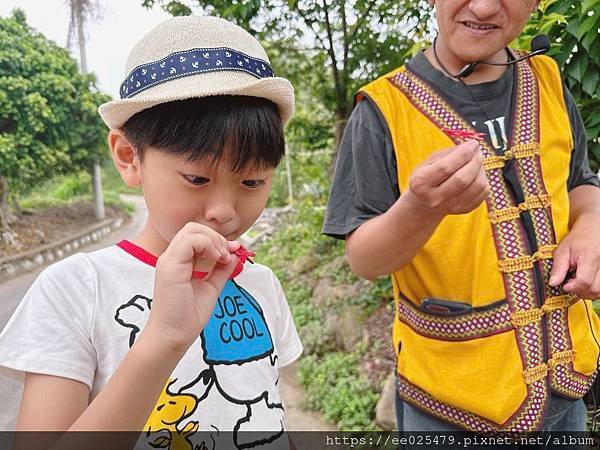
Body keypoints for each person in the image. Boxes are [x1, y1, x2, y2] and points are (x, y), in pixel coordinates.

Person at [0, 15, 302, 450]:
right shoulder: (76, 290)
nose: (224, 211)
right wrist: (161, 339)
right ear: (128, 157)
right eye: (197, 179)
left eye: (252, 182)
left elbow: (271, 411)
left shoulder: (260, 283)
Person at [323, 0, 600, 434]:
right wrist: (421, 209)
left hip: (565, 390)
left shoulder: (547, 80)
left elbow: (580, 183)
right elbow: (364, 259)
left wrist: (590, 228)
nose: (486, 5)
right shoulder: (382, 110)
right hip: (448, 409)